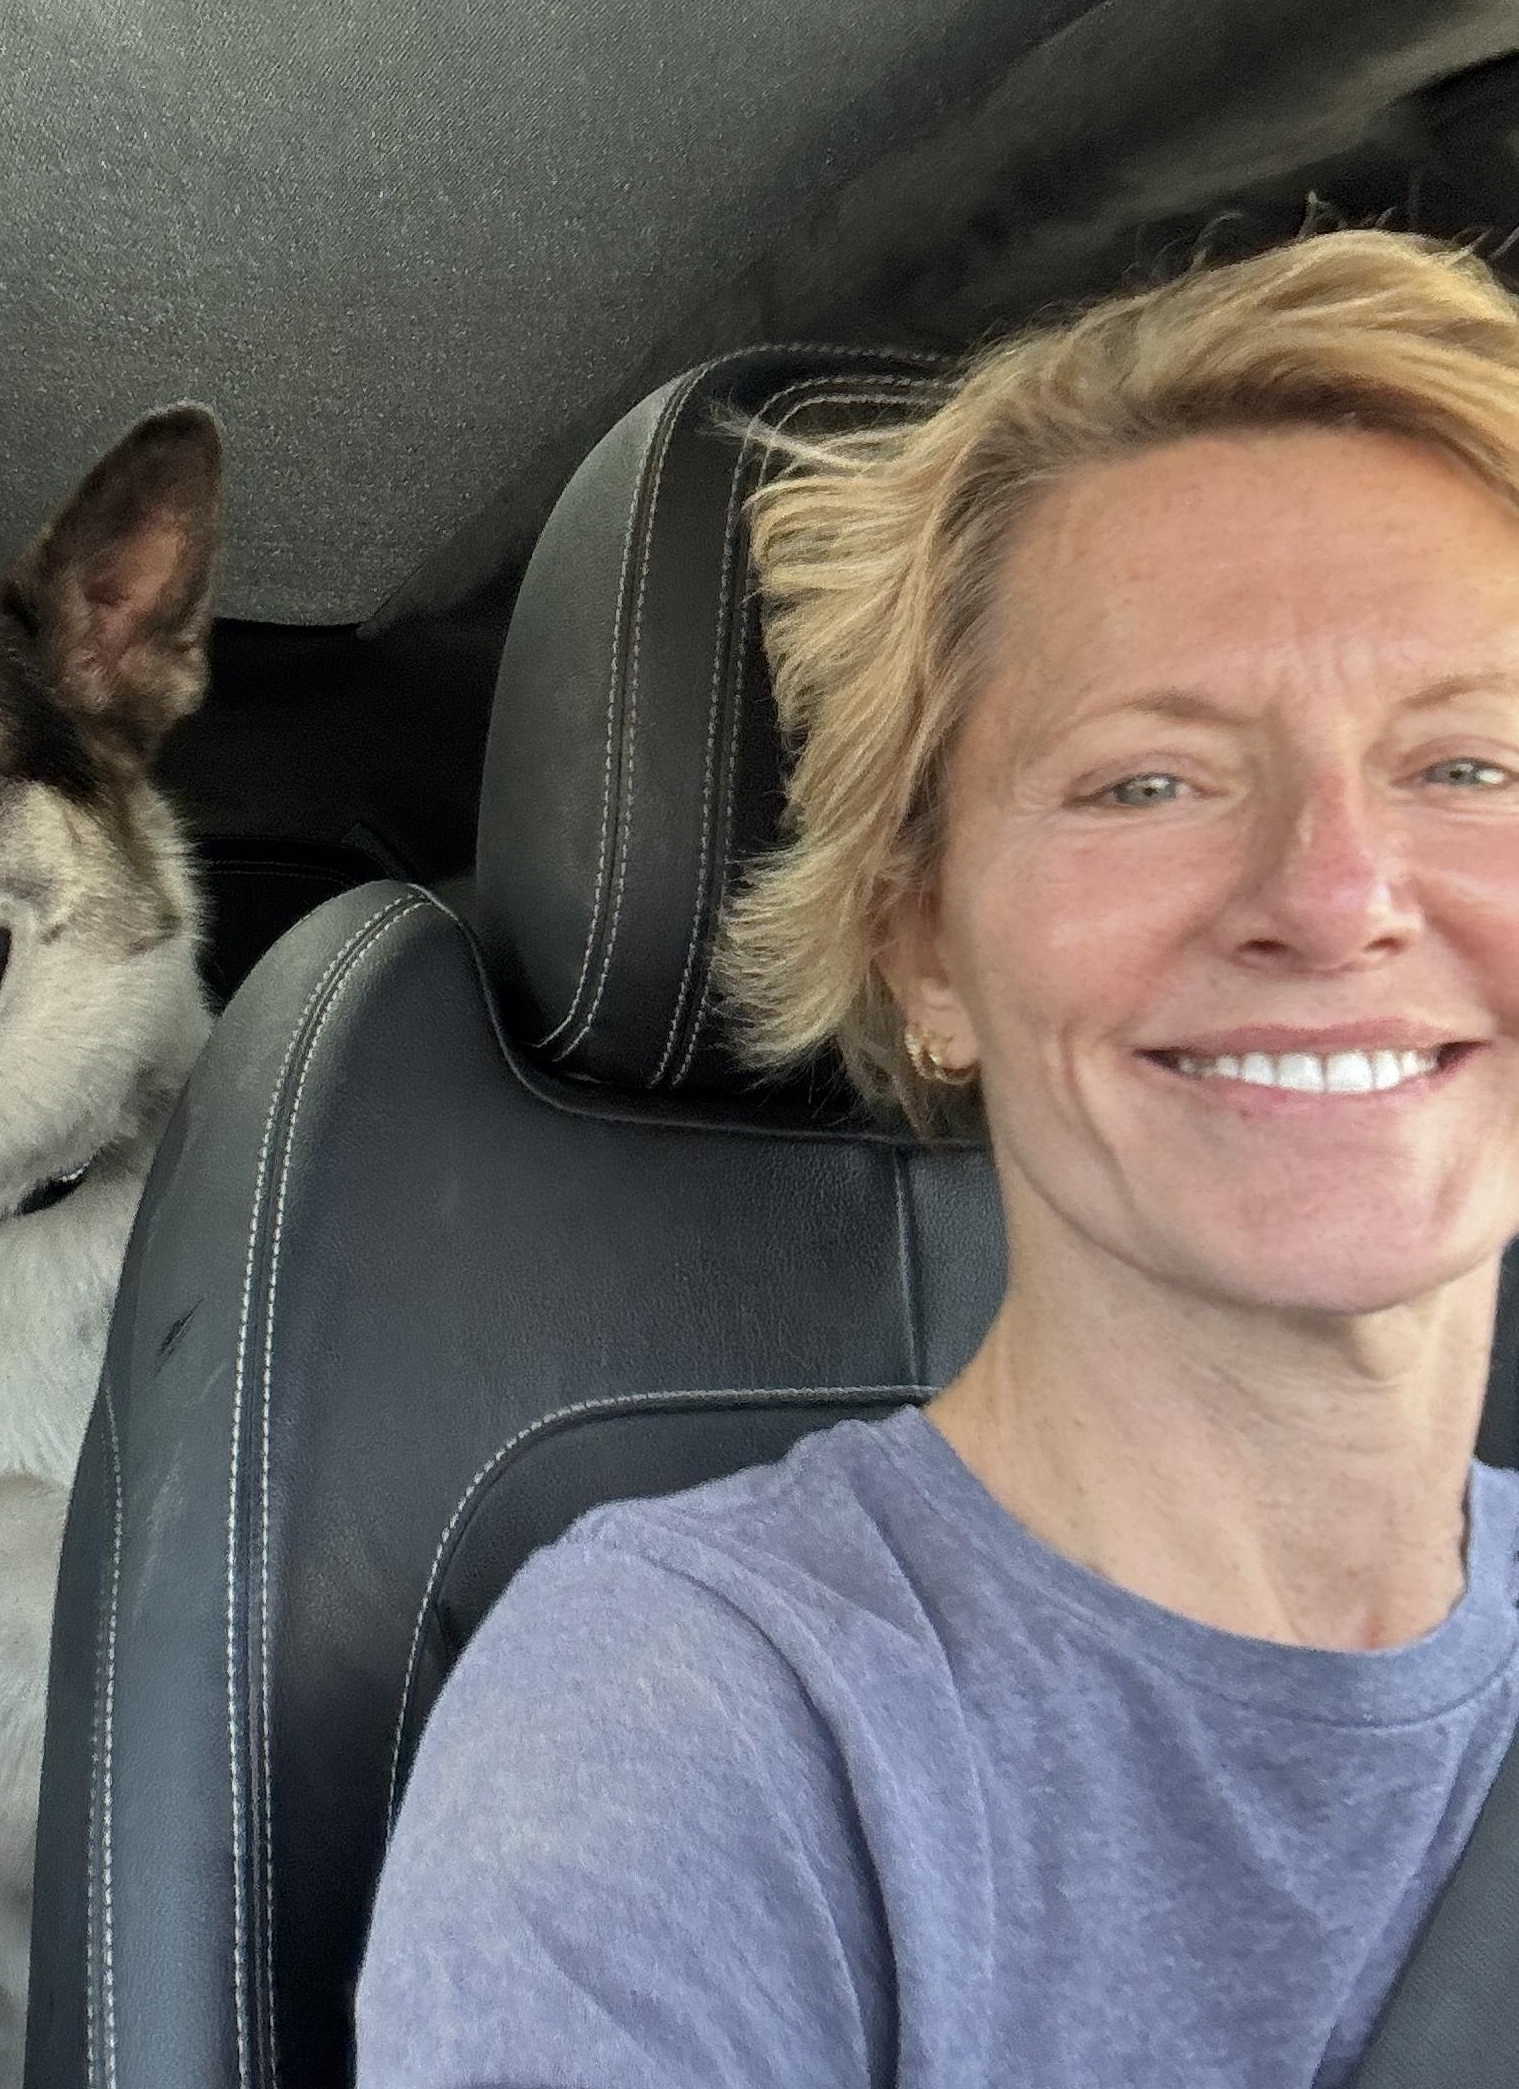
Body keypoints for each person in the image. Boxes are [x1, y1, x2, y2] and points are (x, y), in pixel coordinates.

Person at [354, 230, 1519, 2088]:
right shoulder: (688, 1717)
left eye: (1474, 767)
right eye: (1149, 779)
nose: (1331, 896)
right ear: (922, 946)